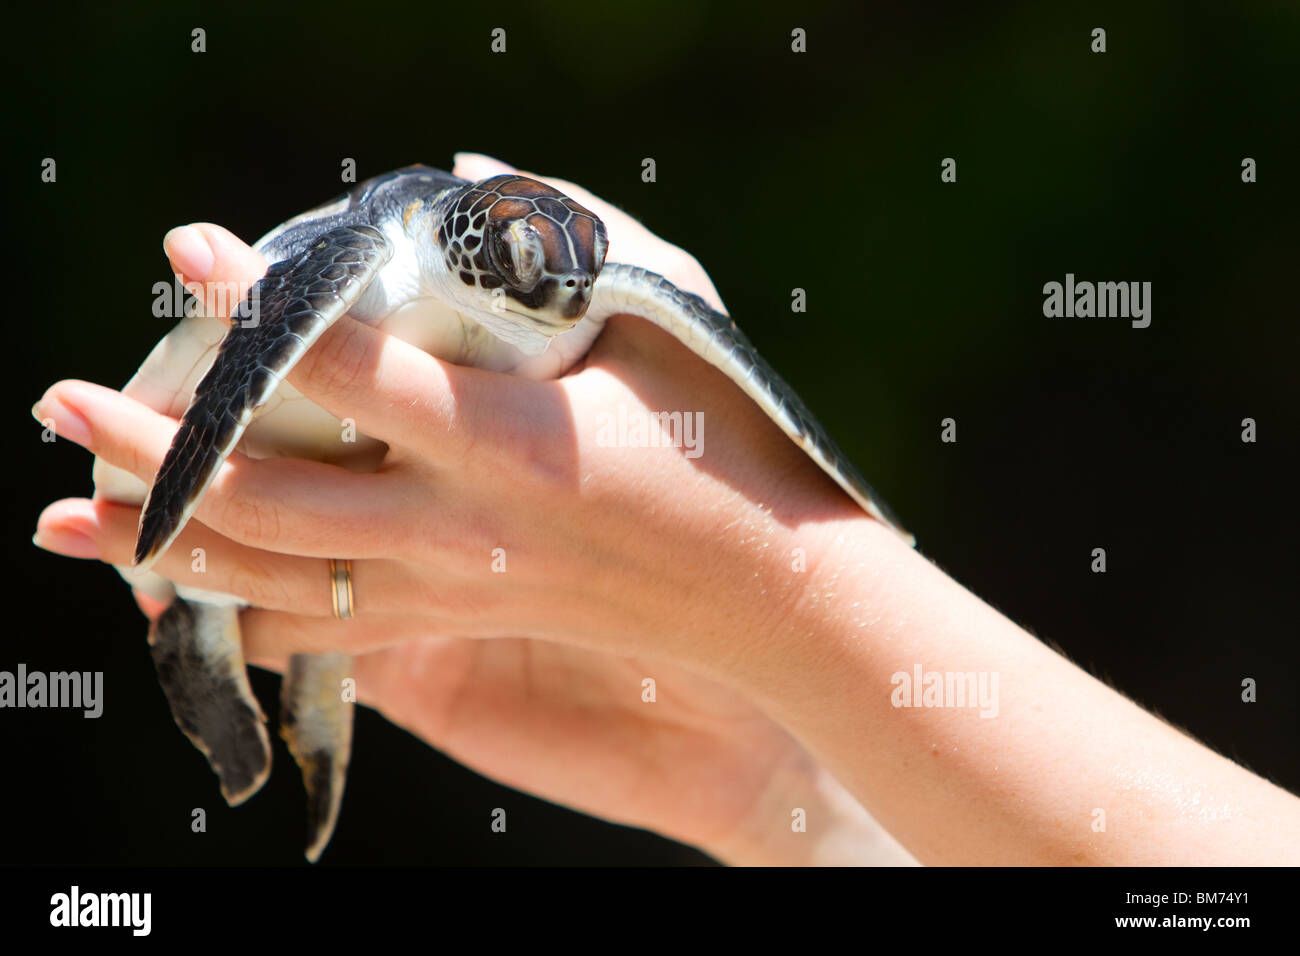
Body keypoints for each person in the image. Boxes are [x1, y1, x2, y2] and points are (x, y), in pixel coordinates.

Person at [32, 154, 1300, 865]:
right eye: (520, 273)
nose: (545, 295)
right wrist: (775, 769)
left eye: (567, 284)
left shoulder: (586, 281)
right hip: (277, 406)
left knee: (261, 585)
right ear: (464, 237)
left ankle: (213, 608)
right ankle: (202, 606)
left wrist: (787, 618)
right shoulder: (397, 240)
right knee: (220, 559)